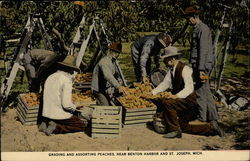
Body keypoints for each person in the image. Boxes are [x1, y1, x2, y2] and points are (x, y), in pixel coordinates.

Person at [151, 46, 224, 138]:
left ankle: (174, 130)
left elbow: (189, 88)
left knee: (168, 103)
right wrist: (152, 93)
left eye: (165, 59)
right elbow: (165, 84)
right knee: (184, 126)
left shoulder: (185, 69)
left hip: (190, 100)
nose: (164, 62)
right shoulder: (171, 71)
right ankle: (211, 128)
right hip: (183, 100)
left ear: (172, 59)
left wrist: (176, 96)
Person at [183, 7, 219, 123]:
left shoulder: (202, 29)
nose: (187, 21)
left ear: (194, 17)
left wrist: (201, 69)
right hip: (200, 65)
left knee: (200, 92)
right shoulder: (198, 28)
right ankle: (213, 117)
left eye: (188, 18)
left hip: (202, 65)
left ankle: (201, 117)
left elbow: (203, 50)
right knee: (206, 91)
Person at [39, 55, 88, 136]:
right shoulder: (66, 80)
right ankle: (56, 128)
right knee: (81, 125)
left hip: (46, 113)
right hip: (59, 114)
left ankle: (48, 122)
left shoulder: (50, 76)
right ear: (70, 69)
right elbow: (66, 105)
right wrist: (75, 108)